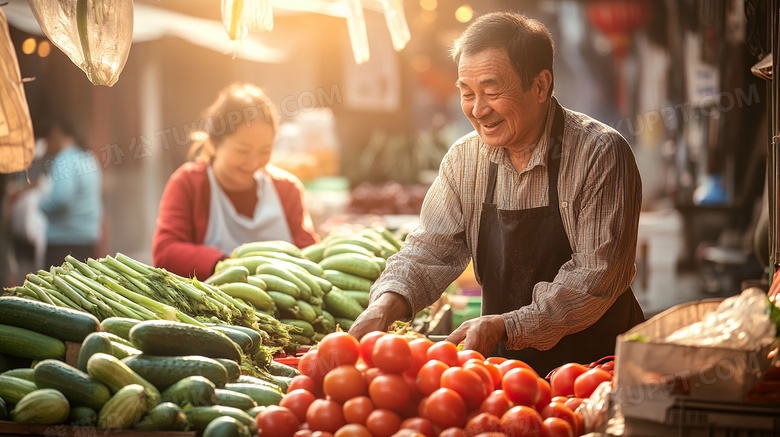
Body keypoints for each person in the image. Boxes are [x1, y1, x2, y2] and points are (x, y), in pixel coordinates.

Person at [349, 12, 646, 376]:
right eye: (467, 94)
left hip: (595, 369)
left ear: (540, 86)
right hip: (506, 374)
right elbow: (429, 249)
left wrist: (508, 326)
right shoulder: (464, 160)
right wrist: (384, 305)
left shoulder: (599, 154)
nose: (478, 109)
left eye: (491, 92)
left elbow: (595, 276)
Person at [152, 83, 319, 279]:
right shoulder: (189, 184)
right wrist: (228, 267)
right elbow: (166, 252)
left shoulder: (287, 190)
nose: (253, 162)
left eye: (264, 151)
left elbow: (308, 254)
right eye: (243, 151)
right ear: (214, 144)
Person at [36, 116, 103, 268]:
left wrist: (40, 205)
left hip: (64, 242)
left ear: (56, 133)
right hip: (88, 238)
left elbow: (61, 199)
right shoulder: (88, 157)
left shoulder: (64, 159)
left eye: (47, 138)